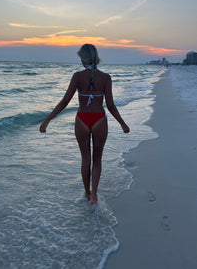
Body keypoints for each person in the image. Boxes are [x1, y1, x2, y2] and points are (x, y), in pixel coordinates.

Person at [39, 44, 130, 204]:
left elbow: (65, 101)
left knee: (85, 159)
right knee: (97, 159)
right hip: (99, 120)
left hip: (81, 120)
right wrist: (123, 124)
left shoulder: (77, 76)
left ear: (82, 59)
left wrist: (47, 120)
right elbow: (110, 105)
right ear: (96, 58)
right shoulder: (106, 77)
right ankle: (94, 195)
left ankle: (87, 193)